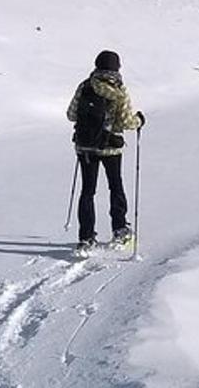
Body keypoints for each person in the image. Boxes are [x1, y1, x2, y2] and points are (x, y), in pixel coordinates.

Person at [67, 49, 144, 253]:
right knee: (115, 187)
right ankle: (119, 229)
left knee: (87, 191)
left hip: (85, 147)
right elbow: (127, 121)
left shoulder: (85, 86)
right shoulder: (119, 90)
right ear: (116, 67)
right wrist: (139, 121)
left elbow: (71, 114)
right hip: (110, 148)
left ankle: (86, 237)